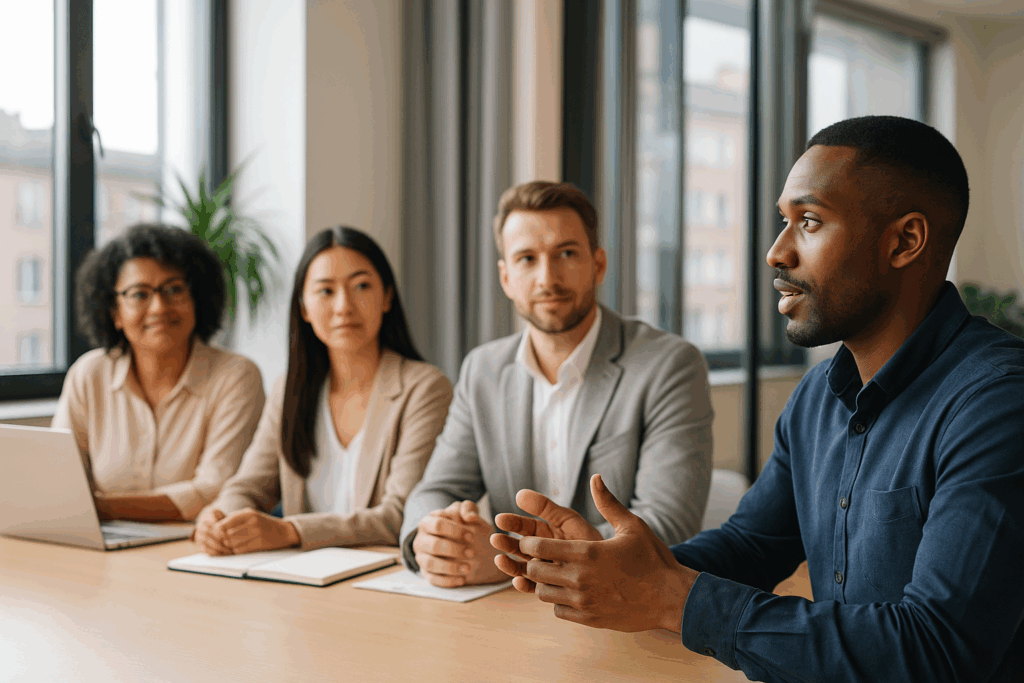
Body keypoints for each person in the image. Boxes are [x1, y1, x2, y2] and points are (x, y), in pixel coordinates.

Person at [490, 116, 1024, 682]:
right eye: (782, 222)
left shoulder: (997, 404)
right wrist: (612, 564)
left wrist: (673, 598)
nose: (775, 252)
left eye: (809, 222)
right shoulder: (819, 395)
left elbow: (936, 650)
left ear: (904, 241)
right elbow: (751, 547)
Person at [400, 180, 714, 587]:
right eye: (527, 259)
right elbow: (436, 488)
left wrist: (509, 557)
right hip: (508, 613)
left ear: (597, 264)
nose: (548, 278)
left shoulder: (669, 365)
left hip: (625, 610)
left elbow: (667, 523)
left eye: (566, 254)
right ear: (506, 277)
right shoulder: (483, 370)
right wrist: (429, 539)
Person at [193, 227, 453, 555]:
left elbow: (400, 516)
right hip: (301, 579)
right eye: (326, 291)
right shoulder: (289, 389)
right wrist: (219, 518)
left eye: (361, 286)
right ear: (303, 308)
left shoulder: (425, 388)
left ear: (387, 297)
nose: (344, 306)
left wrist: (290, 530)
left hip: (381, 578)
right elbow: (248, 487)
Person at [52, 223, 265, 522]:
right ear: (115, 313)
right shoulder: (89, 374)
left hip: (197, 546)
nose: (159, 308)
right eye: (139, 295)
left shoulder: (237, 376)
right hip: (101, 544)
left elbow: (216, 489)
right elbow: (60, 481)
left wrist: (98, 508)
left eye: (174, 289)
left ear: (197, 299)